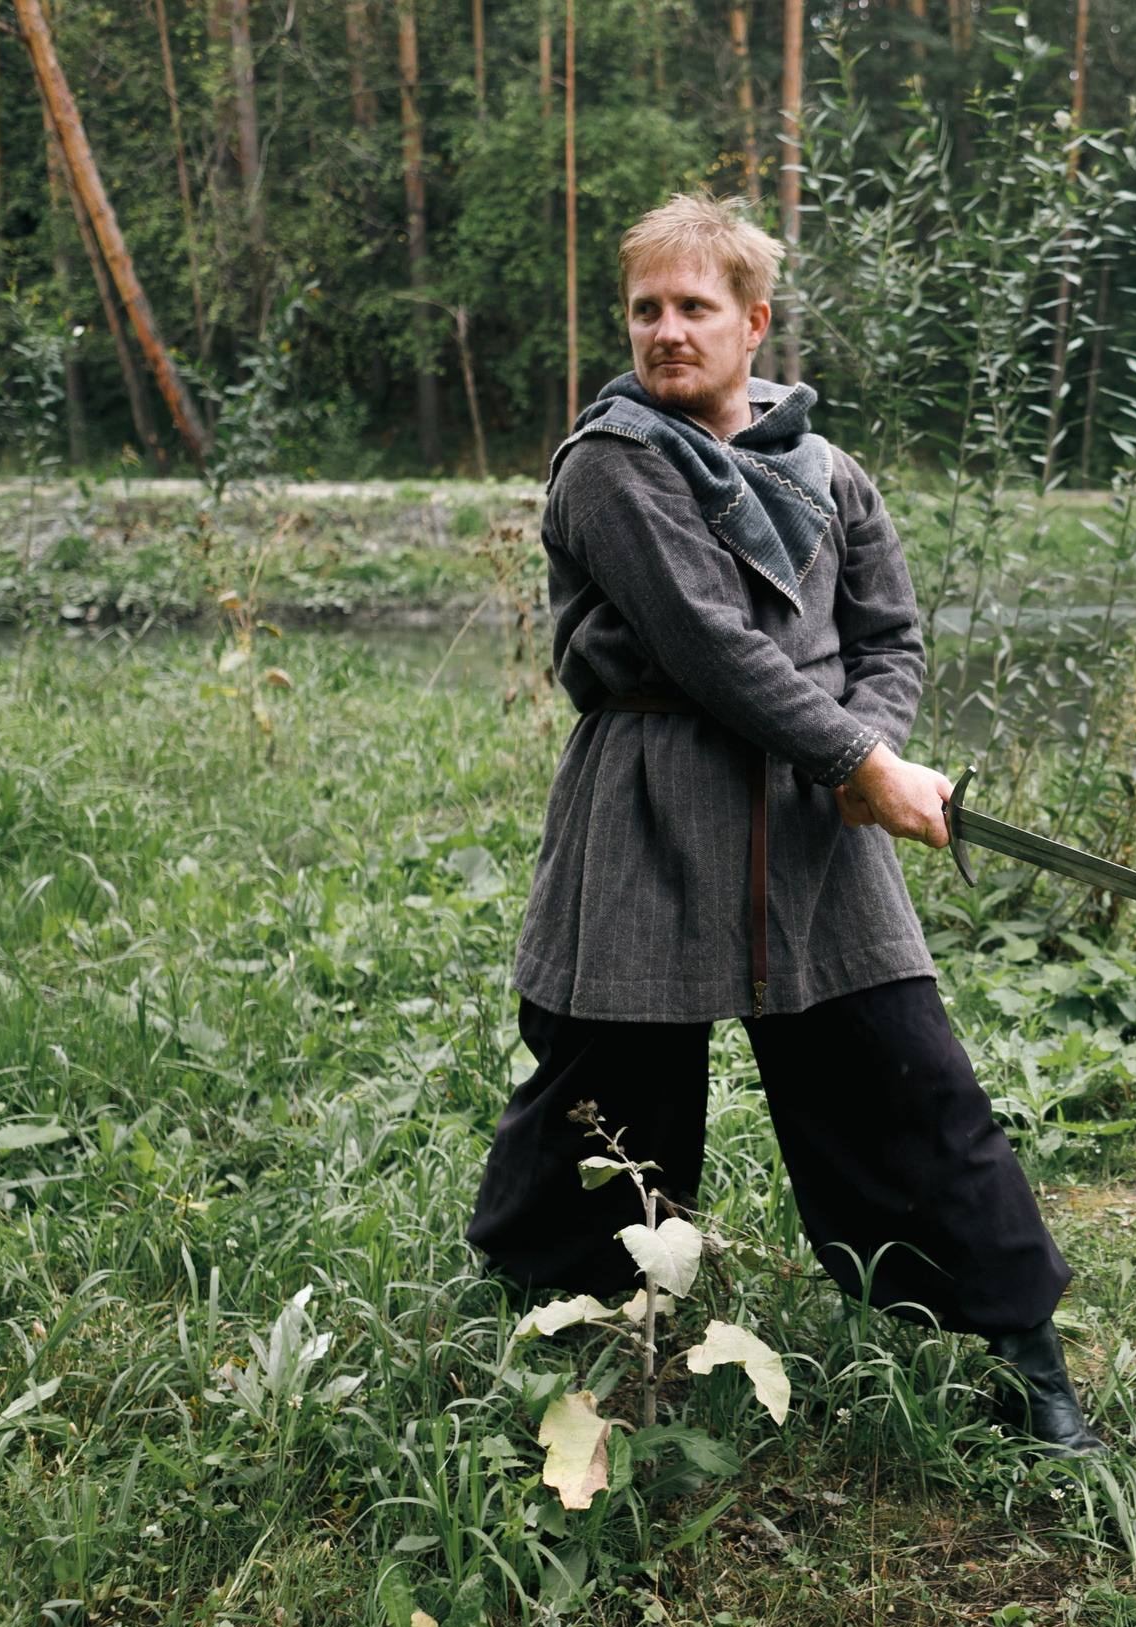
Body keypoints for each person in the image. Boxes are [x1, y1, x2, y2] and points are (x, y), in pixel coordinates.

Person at [466, 193, 1099, 1456]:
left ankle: (1023, 1356)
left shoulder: (828, 470)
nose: (664, 332)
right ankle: (566, 1343)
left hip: (812, 824)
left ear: (752, 324)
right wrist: (862, 754)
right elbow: (710, 648)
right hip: (647, 807)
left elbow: (889, 636)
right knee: (607, 1098)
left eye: (693, 308)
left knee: (903, 1079)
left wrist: (865, 751)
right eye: (645, 309)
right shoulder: (611, 466)